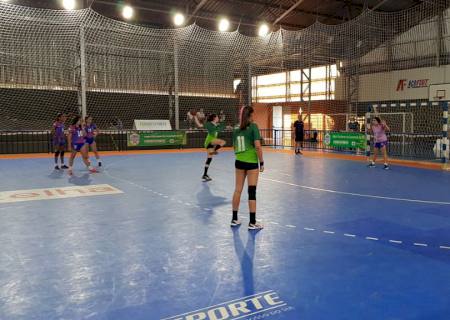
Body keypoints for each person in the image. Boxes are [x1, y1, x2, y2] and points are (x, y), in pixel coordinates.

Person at [231, 106, 264, 230]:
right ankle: (252, 222)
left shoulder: (235, 129)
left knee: (237, 190)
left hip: (239, 162)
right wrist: (261, 162)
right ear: (250, 115)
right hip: (251, 164)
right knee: (252, 191)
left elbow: (234, 147)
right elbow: (258, 146)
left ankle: (234, 219)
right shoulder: (254, 127)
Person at [202, 114, 226, 181]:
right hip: (209, 141)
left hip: (211, 143)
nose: (218, 118)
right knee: (223, 142)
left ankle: (205, 174)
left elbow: (222, 127)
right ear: (214, 118)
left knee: (209, 159)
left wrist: (221, 123)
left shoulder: (217, 125)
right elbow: (203, 125)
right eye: (217, 117)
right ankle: (214, 150)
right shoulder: (210, 124)